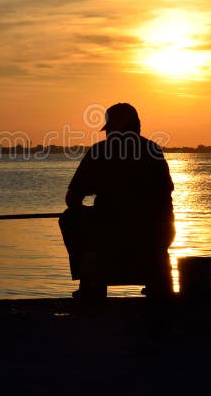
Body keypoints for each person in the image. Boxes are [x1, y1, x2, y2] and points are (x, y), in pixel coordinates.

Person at [59, 103, 175, 301]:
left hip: (109, 233)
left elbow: (72, 199)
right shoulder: (153, 149)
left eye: (109, 129)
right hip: (156, 234)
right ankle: (158, 282)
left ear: (114, 128)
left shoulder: (99, 152)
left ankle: (89, 281)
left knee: (69, 218)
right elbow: (166, 194)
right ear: (137, 126)